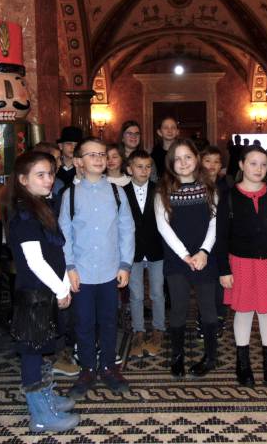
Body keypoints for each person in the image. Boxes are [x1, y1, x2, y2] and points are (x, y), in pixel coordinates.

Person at [5, 151, 79, 432]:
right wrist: (60, 289)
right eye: (40, 175)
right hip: (34, 295)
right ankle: (40, 415)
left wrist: (63, 283)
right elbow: (35, 262)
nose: (48, 179)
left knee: (43, 349)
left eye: (50, 173)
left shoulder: (38, 206)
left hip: (44, 292)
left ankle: (46, 397)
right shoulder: (24, 215)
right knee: (32, 353)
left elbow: (54, 252)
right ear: (23, 180)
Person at [59, 138, 135, 399]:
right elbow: (65, 234)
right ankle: (88, 368)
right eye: (91, 155)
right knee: (83, 322)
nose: (99, 159)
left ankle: (108, 367)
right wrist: (69, 266)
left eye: (102, 154)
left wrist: (125, 264)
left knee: (109, 321)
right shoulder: (70, 195)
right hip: (82, 272)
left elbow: (127, 229)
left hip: (110, 270)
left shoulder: (116, 192)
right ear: (78, 161)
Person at [217, 145, 267, 388]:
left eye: (263, 164)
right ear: (241, 165)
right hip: (241, 263)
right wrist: (224, 269)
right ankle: (243, 364)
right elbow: (221, 237)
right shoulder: (229, 196)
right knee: (244, 311)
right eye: (253, 163)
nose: (258, 169)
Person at [155, 138, 219, 379]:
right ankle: (177, 356)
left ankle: (210, 357)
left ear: (197, 159)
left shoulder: (210, 188)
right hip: (177, 258)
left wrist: (203, 252)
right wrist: (185, 255)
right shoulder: (163, 191)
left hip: (205, 256)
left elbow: (214, 224)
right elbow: (163, 227)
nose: (183, 163)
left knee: (208, 309)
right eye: (177, 159)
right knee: (179, 308)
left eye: (188, 157)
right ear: (170, 162)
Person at [31, 141, 80, 378]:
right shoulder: (28, 205)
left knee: (64, 311)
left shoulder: (59, 190)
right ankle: (51, 358)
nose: (57, 167)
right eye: (54, 162)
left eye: (54, 168)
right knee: (44, 315)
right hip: (41, 265)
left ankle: (65, 349)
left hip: (59, 258)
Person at [123, 150, 165, 358]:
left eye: (148, 167)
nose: (144, 170)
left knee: (157, 292)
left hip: (156, 249)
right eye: (139, 166)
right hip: (133, 251)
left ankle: (159, 328)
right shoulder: (121, 192)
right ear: (129, 169)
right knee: (136, 294)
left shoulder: (160, 190)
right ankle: (138, 330)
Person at [198, 146, 232, 339]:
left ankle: (219, 317)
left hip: (221, 242)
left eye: (216, 162)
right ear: (200, 162)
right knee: (204, 284)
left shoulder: (226, 186)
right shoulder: (195, 185)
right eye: (207, 161)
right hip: (201, 242)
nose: (212, 165)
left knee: (220, 285)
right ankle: (203, 318)